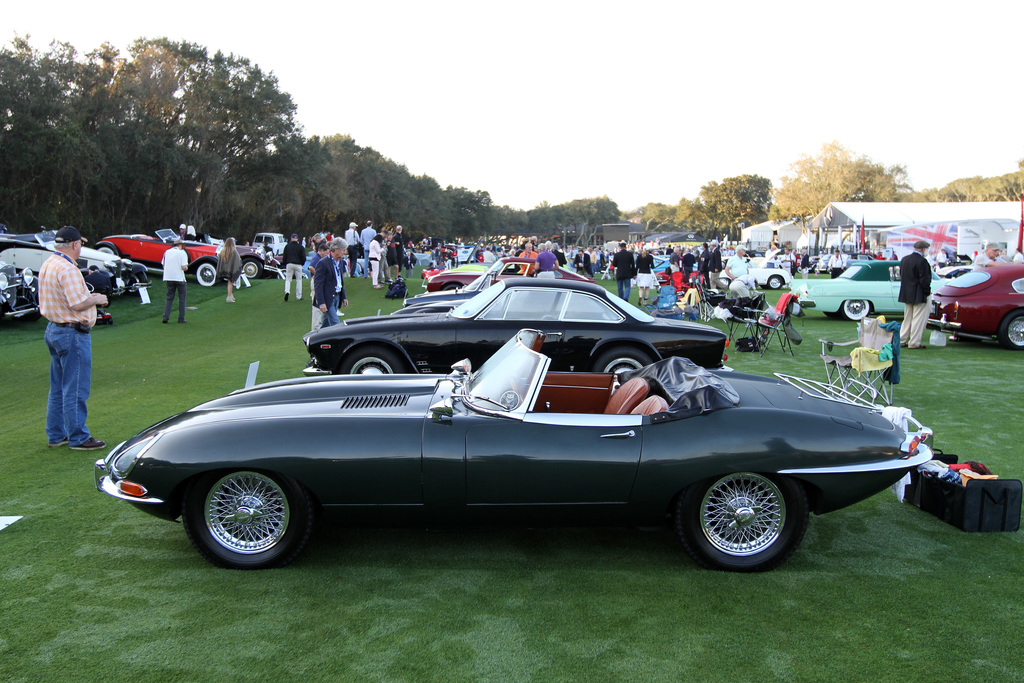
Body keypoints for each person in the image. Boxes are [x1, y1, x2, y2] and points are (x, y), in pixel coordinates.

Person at [38, 226, 108, 450]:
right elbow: (76, 303)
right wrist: (96, 298)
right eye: (81, 244)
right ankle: (78, 436)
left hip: (54, 328)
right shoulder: (68, 269)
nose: (81, 248)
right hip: (71, 332)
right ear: (75, 244)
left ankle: (56, 434)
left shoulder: (49, 263)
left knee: (58, 386)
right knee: (75, 387)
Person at [899, 239, 932, 350]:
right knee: (918, 319)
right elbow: (925, 280)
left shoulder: (904, 259)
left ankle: (902, 339)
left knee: (907, 318)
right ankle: (914, 342)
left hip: (906, 293)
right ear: (923, 249)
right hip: (919, 294)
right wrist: (927, 292)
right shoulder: (922, 261)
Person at [314, 238, 349, 327]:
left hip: (337, 296)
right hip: (328, 298)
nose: (344, 252)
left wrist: (344, 297)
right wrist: (321, 302)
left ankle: (318, 339)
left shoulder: (340, 262)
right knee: (336, 324)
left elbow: (340, 280)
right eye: (343, 250)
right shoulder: (323, 263)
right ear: (336, 249)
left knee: (326, 324)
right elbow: (318, 285)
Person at [161, 237, 189, 323]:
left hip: (169, 277)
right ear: (180, 245)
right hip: (179, 278)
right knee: (182, 298)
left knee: (169, 297)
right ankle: (181, 318)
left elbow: (163, 264)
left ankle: (165, 316)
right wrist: (187, 268)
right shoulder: (182, 253)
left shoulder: (167, 252)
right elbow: (184, 267)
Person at [308, 241, 330, 332]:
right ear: (321, 251)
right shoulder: (317, 257)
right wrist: (318, 275)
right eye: (326, 252)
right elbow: (310, 267)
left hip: (316, 281)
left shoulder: (318, 257)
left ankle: (319, 326)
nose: (326, 254)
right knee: (317, 305)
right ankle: (315, 329)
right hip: (316, 282)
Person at [217, 237, 242, 302]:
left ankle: (231, 295)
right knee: (230, 282)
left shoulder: (223, 251)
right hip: (231, 270)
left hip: (225, 270)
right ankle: (229, 296)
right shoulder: (234, 251)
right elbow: (238, 261)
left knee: (230, 282)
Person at [282, 233, 305, 302]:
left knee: (288, 279)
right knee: (299, 280)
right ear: (297, 239)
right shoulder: (301, 247)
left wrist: (285, 263)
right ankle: (299, 296)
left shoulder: (287, 246)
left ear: (291, 238)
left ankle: (287, 291)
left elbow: (284, 257)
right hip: (298, 264)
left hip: (289, 264)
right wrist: (302, 264)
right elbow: (303, 257)